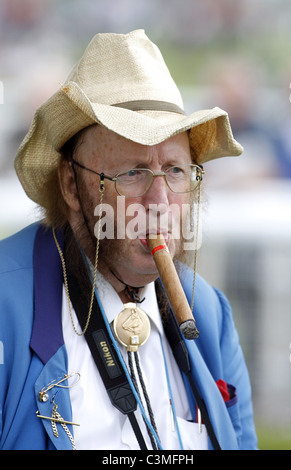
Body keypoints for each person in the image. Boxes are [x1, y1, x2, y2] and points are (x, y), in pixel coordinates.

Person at [0, 30, 257, 451]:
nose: (159, 202)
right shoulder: (5, 305)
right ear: (70, 184)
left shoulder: (210, 315)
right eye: (132, 173)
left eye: (175, 171)